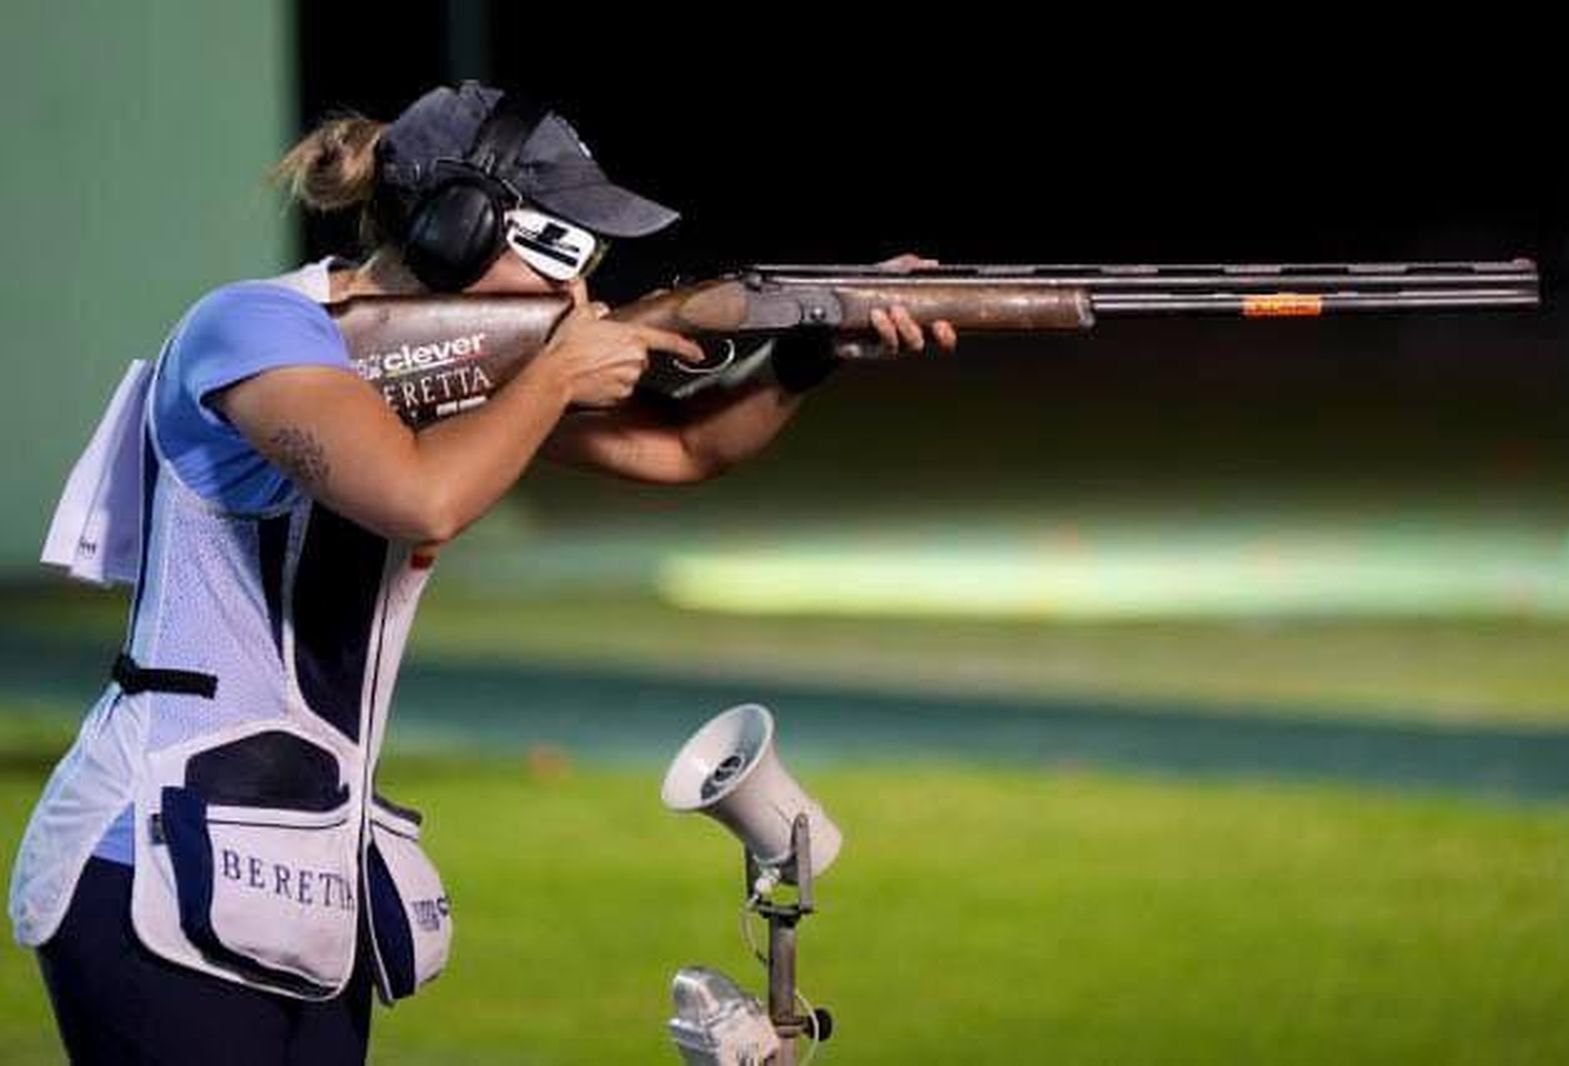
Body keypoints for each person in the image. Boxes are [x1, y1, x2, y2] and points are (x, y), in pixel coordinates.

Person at [7, 81, 957, 1064]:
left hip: (298, 877)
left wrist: (807, 355)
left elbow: (683, 450)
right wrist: (555, 377)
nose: (580, 285)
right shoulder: (249, 329)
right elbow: (420, 499)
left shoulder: (470, 373)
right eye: (560, 248)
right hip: (145, 860)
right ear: (455, 227)